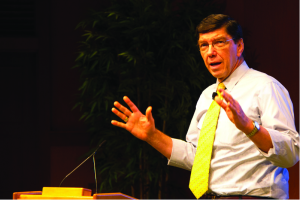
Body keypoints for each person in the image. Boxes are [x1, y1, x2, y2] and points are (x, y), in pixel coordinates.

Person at [111, 14, 299, 199]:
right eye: (204, 45)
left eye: (219, 42)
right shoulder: (207, 95)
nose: (210, 52)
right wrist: (152, 136)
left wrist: (249, 128)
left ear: (239, 46)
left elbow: (290, 152)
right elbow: (197, 157)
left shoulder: (266, 87)